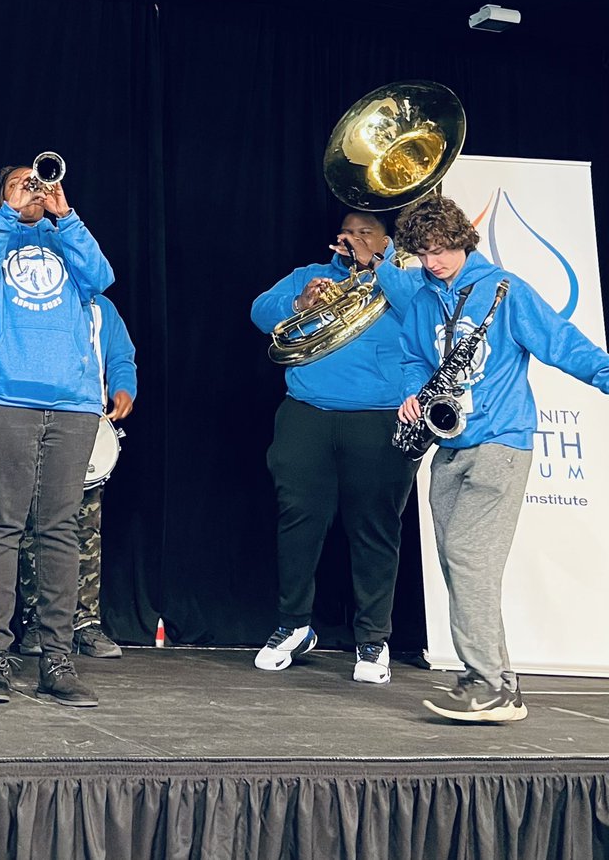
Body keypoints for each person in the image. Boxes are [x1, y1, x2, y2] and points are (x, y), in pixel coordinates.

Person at [396, 196, 609, 723]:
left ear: (462, 241)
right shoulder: (423, 300)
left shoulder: (503, 290)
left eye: (442, 249)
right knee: (460, 565)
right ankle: (499, 683)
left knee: (469, 559)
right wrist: (411, 392)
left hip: (501, 444)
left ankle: (487, 684)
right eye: (423, 253)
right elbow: (407, 357)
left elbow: (563, 344)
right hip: (447, 447)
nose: (434, 262)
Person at [0, 162, 113, 707]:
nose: (35, 189)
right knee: (1, 524)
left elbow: (101, 279)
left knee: (59, 530)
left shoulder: (67, 234)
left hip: (72, 402)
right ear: (2, 191)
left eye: (40, 182)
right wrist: (9, 212)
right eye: (24, 182)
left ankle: (57, 659)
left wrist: (64, 215)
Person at [250, 210, 422, 684]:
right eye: (348, 232)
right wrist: (299, 303)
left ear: (387, 241)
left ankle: (372, 639)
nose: (353, 240)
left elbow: (426, 315)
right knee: (298, 520)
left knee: (374, 527)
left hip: (379, 417)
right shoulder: (311, 276)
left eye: (366, 233)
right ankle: (293, 625)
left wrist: (381, 267)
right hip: (307, 413)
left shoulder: (404, 280)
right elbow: (260, 312)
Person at [18, 292, 136, 659]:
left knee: (84, 528)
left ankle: (84, 624)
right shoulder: (37, 301)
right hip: (36, 421)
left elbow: (120, 356)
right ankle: (38, 622)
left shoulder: (104, 308)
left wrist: (123, 388)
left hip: (83, 424)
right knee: (33, 526)